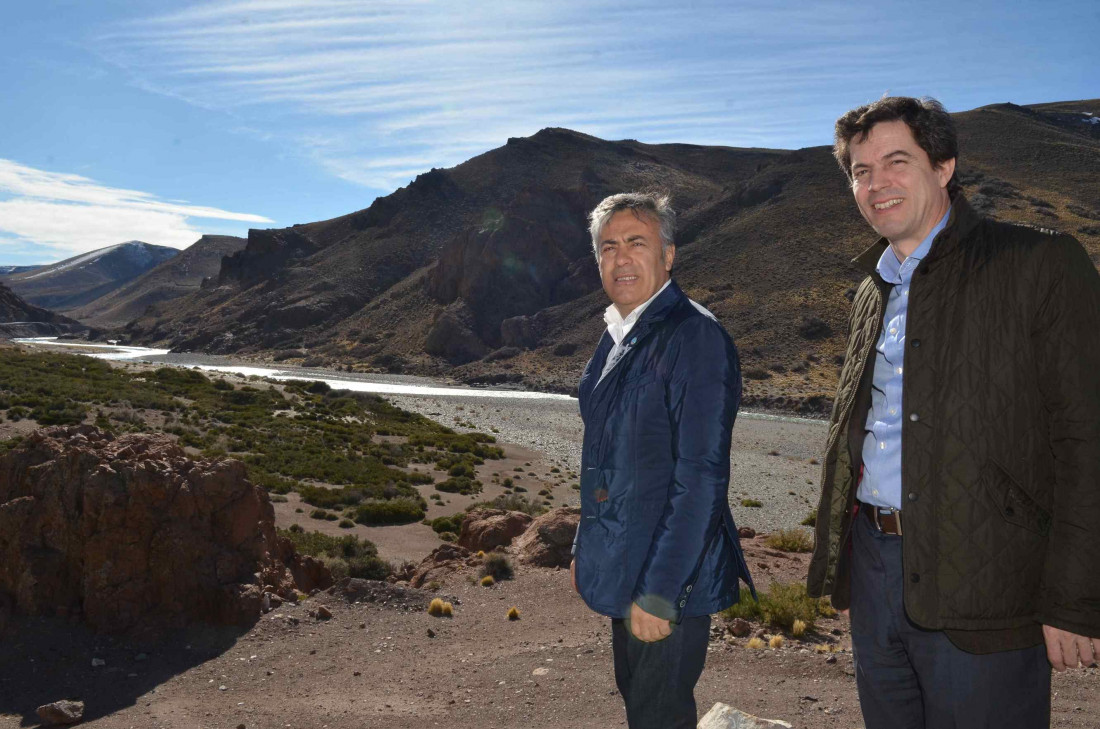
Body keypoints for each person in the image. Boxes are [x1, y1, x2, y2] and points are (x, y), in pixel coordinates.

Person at [807, 96, 1100, 728]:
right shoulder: (870, 288)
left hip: (990, 583)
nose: (875, 183)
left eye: (896, 161)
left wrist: (1076, 600)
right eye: (860, 170)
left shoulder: (1038, 264)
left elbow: (1087, 438)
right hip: (877, 571)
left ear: (944, 167)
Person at [569, 192, 754, 729]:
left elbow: (701, 478)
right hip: (626, 561)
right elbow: (602, 462)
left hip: (668, 578)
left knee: (659, 716)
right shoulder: (616, 334)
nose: (621, 258)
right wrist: (587, 545)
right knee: (642, 708)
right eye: (608, 247)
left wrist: (660, 591)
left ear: (668, 255)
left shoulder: (694, 336)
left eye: (636, 243)